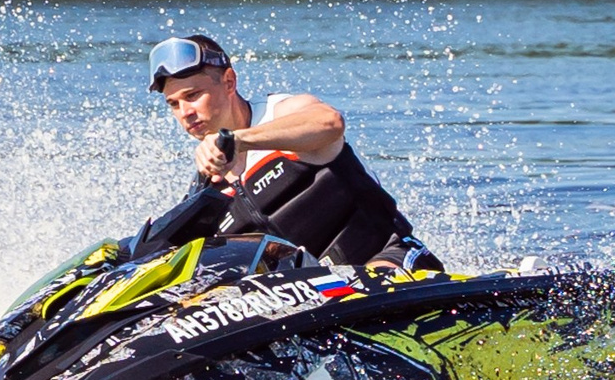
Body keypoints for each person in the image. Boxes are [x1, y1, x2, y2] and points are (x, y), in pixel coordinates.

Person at [127, 32, 439, 273]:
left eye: (193, 95)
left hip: (389, 260)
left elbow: (330, 123)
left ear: (229, 82)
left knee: (370, 282)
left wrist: (238, 140)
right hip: (319, 300)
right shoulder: (208, 184)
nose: (185, 112)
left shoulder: (282, 113)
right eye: (173, 104)